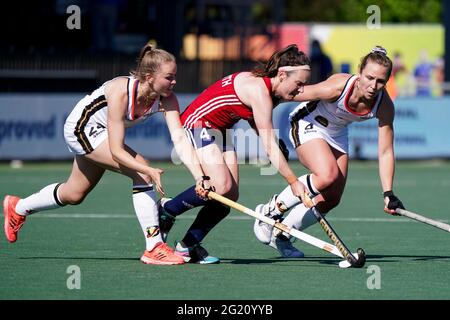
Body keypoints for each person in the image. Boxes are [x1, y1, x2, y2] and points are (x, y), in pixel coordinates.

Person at [2, 44, 212, 265]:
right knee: (141, 172)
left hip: (100, 135)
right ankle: (154, 247)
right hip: (80, 129)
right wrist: (146, 169)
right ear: (149, 77)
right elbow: (116, 150)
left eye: (175, 77)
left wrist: (200, 176)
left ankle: (18, 207)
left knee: (74, 194)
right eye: (169, 77)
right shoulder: (121, 91)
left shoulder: (167, 99)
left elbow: (179, 139)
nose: (174, 82)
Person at [158, 44, 311, 263]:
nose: (300, 90)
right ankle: (167, 209)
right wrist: (293, 182)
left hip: (220, 129)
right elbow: (267, 146)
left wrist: (276, 143)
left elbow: (257, 122)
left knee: (228, 197)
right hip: (197, 122)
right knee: (221, 186)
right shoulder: (260, 91)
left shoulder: (266, 88)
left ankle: (187, 246)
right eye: (298, 84)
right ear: (282, 74)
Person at [253, 46, 405, 258]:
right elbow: (291, 93)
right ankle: (270, 211)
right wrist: (256, 101)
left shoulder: (384, 106)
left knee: (333, 197)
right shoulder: (337, 86)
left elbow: (386, 151)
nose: (373, 86)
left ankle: (283, 234)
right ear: (359, 72)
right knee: (327, 175)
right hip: (308, 122)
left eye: (380, 81)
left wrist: (388, 193)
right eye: (369, 77)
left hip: (337, 133)